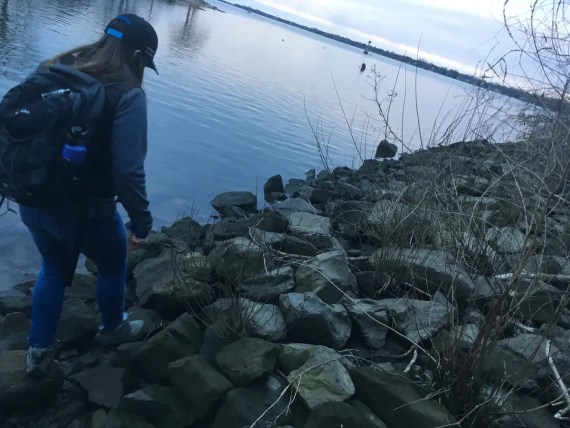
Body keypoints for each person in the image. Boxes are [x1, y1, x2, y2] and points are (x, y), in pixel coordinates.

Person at [19, 14, 158, 378]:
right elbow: (128, 171)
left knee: (53, 268)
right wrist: (141, 222)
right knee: (113, 263)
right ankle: (112, 328)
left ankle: (38, 352)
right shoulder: (129, 95)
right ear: (138, 56)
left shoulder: (56, 66)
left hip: (31, 195)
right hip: (87, 212)